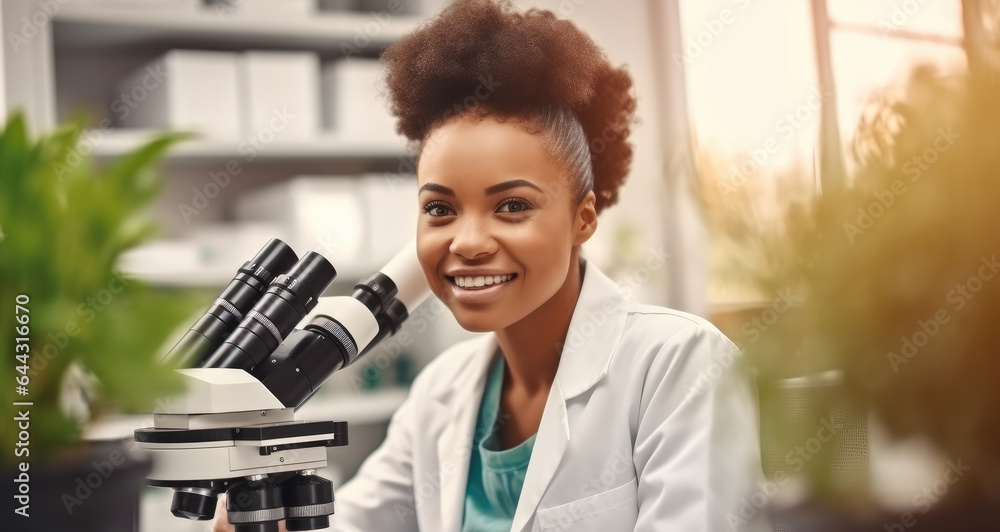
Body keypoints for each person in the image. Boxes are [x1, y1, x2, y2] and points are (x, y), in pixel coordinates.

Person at [214, 1, 765, 530]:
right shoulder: (440, 395)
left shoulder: (678, 366)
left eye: (512, 206)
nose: (469, 242)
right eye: (440, 208)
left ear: (583, 219)